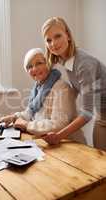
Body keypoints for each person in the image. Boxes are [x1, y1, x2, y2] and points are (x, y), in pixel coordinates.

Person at [0, 48, 85, 142]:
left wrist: (27, 125)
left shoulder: (62, 88)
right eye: (29, 66)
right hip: (49, 142)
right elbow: (30, 113)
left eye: (39, 63)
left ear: (48, 64)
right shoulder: (38, 88)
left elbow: (58, 125)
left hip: (70, 144)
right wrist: (14, 117)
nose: (34, 69)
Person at [41, 16, 106, 150]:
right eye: (48, 40)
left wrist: (58, 136)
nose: (53, 43)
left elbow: (87, 113)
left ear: (68, 36)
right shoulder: (66, 61)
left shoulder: (83, 64)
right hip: (101, 114)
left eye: (58, 36)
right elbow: (74, 92)